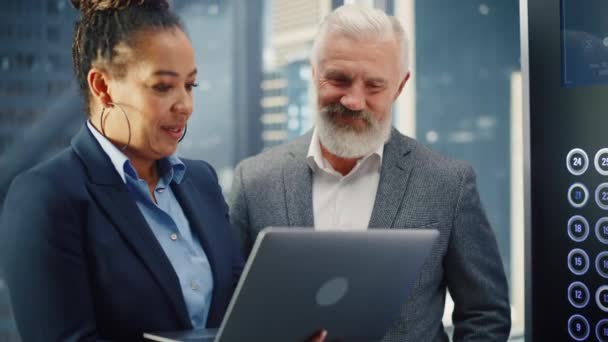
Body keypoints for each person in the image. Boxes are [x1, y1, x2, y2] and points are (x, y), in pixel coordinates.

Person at [229, 4, 511, 342]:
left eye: (374, 86)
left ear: (400, 86)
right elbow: (229, 313)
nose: (353, 100)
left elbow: (485, 315)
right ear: (313, 70)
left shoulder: (448, 183)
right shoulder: (255, 181)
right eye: (338, 79)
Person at [0, 1, 244, 340]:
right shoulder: (45, 197)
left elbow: (239, 310)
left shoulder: (201, 181)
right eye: (162, 86)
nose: (185, 105)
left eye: (190, 86)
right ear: (102, 86)